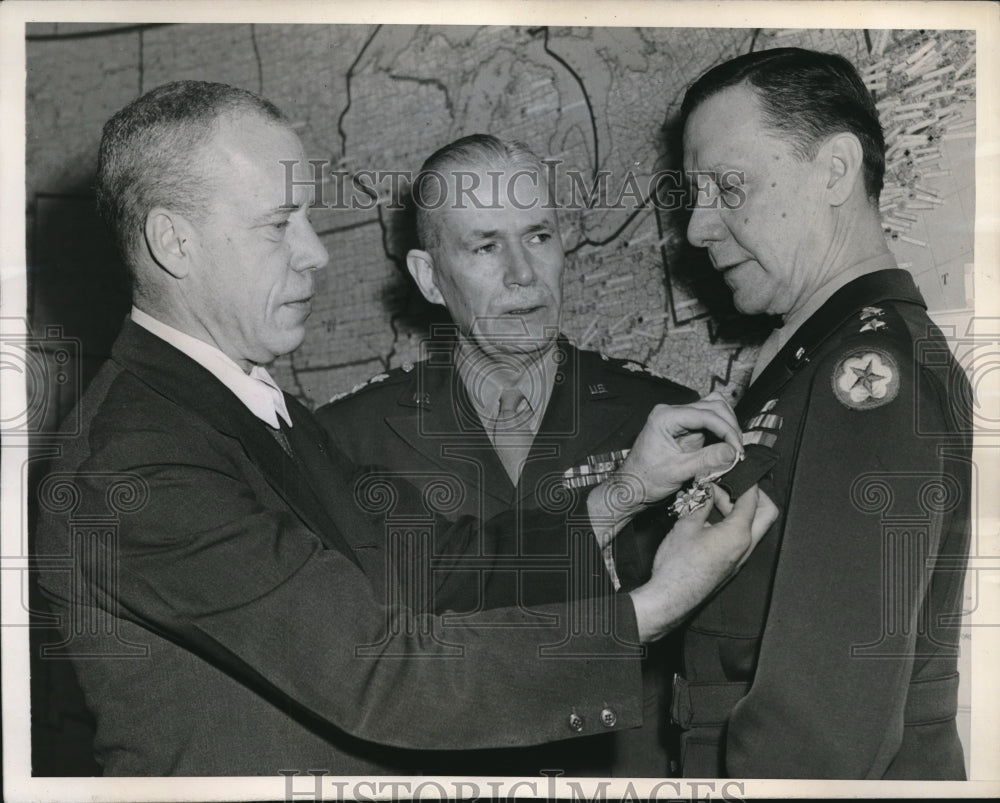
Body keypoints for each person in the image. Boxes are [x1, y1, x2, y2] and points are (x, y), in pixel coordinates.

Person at [33, 80, 774, 776]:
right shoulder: (135, 462)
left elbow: (428, 566)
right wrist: (652, 608)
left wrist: (623, 492)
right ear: (174, 242)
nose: (316, 253)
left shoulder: (243, 408)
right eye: (277, 225)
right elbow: (378, 668)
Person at [316, 134, 702, 777]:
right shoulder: (349, 442)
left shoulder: (660, 419)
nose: (523, 274)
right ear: (429, 278)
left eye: (540, 236)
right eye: (486, 245)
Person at [672, 47, 972, 779]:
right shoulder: (817, 361)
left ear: (835, 170)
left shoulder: (866, 376)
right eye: (694, 194)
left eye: (728, 186)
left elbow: (817, 734)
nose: (697, 229)